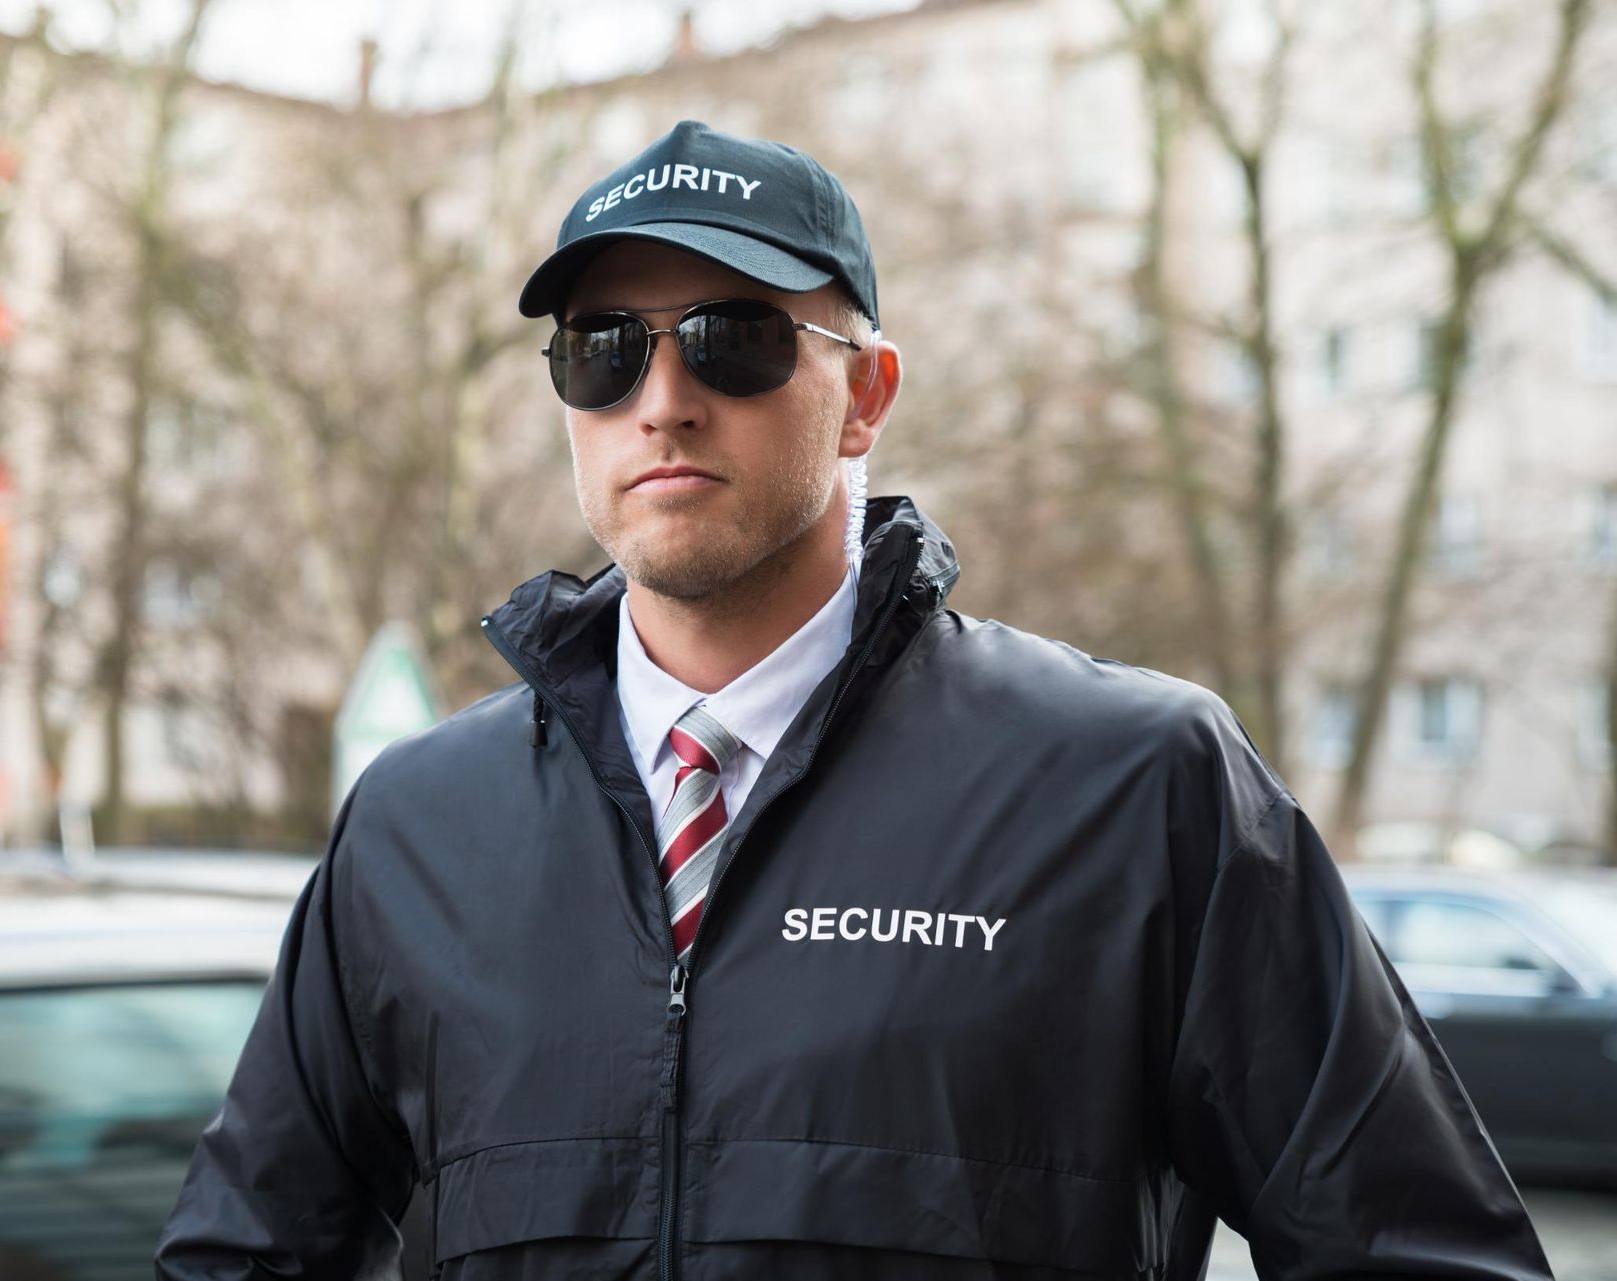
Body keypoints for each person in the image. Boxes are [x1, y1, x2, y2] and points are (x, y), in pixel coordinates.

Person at [156, 120, 1552, 1280]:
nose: (663, 398)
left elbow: (1419, 1253)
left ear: (865, 394)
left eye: (735, 337)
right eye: (604, 347)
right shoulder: (416, 824)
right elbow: (243, 1253)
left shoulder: (1137, 785)